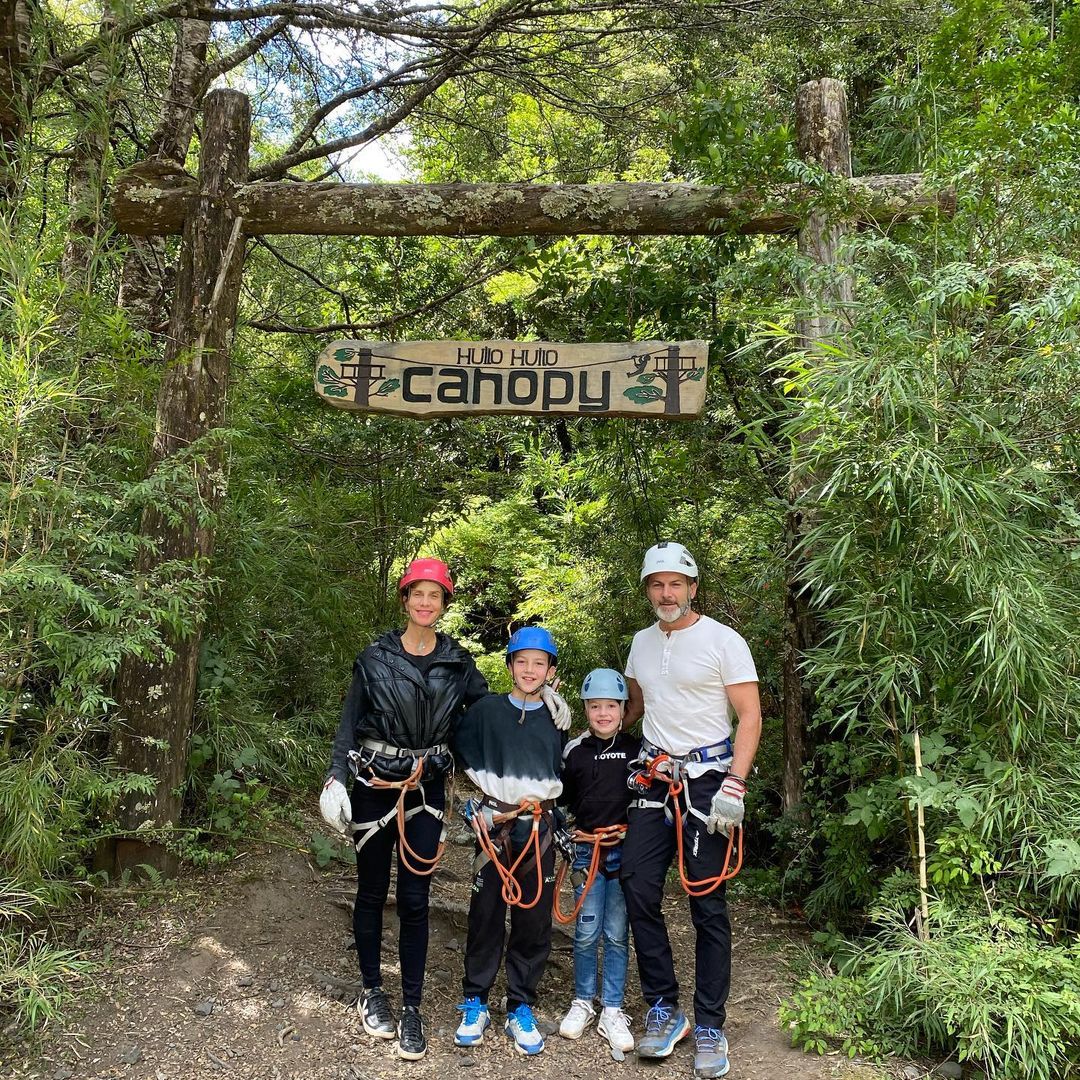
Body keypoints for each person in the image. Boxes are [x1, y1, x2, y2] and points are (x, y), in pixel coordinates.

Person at [318, 558, 489, 1061]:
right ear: (404, 598)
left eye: (435, 596)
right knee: (371, 892)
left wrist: (539, 700)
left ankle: (411, 1007)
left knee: (415, 898)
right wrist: (335, 776)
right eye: (418, 593)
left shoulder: (458, 664)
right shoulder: (374, 659)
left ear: (444, 603)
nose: (425, 603)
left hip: (426, 790)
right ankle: (373, 991)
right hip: (373, 782)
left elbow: (490, 717)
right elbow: (349, 722)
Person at [620, 542, 762, 1079]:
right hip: (655, 777)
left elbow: (749, 716)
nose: (666, 593)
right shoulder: (640, 643)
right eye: (656, 584)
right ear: (647, 590)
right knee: (636, 884)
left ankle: (710, 1022)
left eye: (675, 583)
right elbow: (635, 707)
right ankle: (664, 1007)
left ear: (693, 587)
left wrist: (735, 784)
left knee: (706, 901)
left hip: (708, 783)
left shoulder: (723, 640)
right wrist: (581, 719)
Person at [452, 626, 567, 1057]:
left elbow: (570, 775)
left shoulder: (559, 721)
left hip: (539, 826)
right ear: (509, 666)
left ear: (551, 670)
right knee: (485, 913)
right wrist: (471, 804)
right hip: (493, 823)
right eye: (522, 662)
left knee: (534, 918)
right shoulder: (485, 712)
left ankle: (520, 1004)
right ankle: (476, 1000)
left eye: (540, 663)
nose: (530, 670)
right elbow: (454, 756)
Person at [556, 668, 637, 1054]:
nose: (603, 713)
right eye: (595, 706)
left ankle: (613, 1008)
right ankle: (583, 1001)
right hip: (586, 851)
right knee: (587, 931)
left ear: (622, 709)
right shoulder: (573, 751)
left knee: (617, 933)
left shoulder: (637, 751)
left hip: (623, 852)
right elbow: (562, 798)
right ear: (585, 709)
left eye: (610, 706)